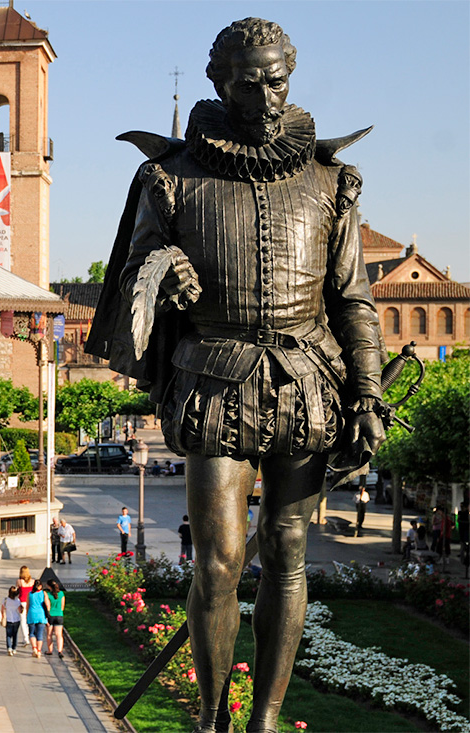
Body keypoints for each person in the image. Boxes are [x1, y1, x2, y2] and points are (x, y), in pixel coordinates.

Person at [84, 18, 386, 733]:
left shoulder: (329, 180)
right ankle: (214, 718)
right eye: (250, 83)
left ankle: (266, 719)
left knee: (286, 548)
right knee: (218, 562)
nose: (266, 95)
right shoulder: (173, 177)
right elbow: (134, 276)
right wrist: (167, 275)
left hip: (309, 381)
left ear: (290, 74)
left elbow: (354, 301)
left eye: (277, 79)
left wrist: (367, 391)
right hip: (213, 380)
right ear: (222, 83)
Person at [44, 579, 66, 658]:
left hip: (51, 615)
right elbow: (62, 606)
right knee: (59, 635)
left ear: (49, 586)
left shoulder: (47, 595)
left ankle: (50, 650)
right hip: (59, 615)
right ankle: (60, 651)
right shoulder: (61, 594)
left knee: (49, 634)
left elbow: (47, 606)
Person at [25, 580, 47, 658]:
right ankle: (39, 650)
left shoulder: (30, 594)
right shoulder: (43, 593)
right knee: (40, 634)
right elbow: (47, 604)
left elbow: (27, 605)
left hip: (32, 614)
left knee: (32, 633)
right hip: (41, 615)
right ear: (40, 586)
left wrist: (27, 614)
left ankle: (34, 648)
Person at [2, 586, 22, 655]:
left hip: (8, 619)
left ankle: (9, 648)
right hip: (16, 619)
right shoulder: (18, 601)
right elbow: (20, 610)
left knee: (8, 635)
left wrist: (3, 616)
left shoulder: (5, 600)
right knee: (15, 635)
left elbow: (3, 609)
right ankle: (14, 648)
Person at [17, 566, 33, 645]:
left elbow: (17, 592)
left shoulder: (20, 581)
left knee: (23, 620)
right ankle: (30, 636)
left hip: (22, 602)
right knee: (29, 619)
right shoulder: (32, 582)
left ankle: (25, 638)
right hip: (30, 602)